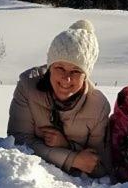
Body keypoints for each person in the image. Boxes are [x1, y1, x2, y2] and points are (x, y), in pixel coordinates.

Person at [7, 20, 110, 176]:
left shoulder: (98, 106)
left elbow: (98, 165)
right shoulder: (27, 87)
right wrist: (71, 158)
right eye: (59, 68)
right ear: (50, 68)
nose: (66, 79)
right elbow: (18, 142)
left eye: (76, 71)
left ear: (86, 75)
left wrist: (66, 144)